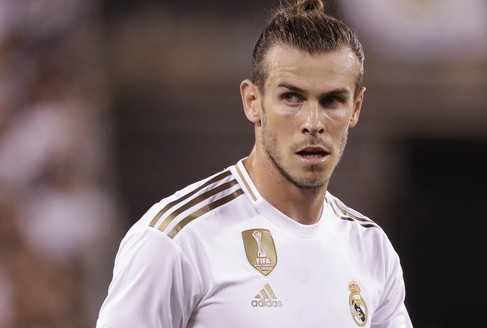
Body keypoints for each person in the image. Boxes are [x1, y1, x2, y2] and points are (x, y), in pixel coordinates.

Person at [97, 0, 413, 327]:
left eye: (332, 100)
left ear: (356, 107)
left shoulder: (373, 251)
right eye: (292, 97)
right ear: (253, 102)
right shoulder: (177, 239)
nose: (313, 122)